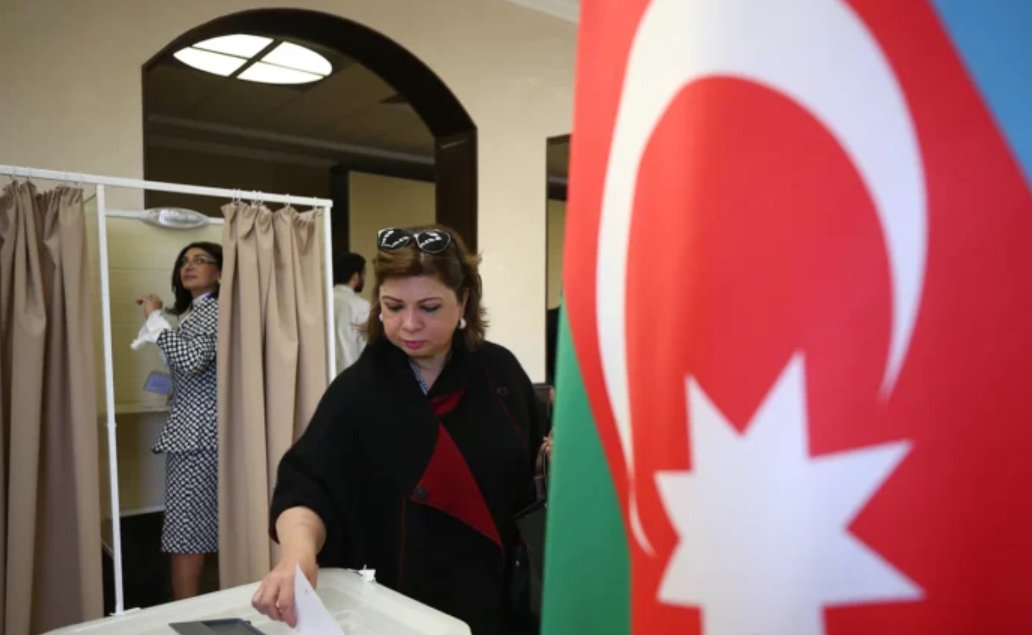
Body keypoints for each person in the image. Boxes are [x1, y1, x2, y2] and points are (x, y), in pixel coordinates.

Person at [253, 226, 550, 634]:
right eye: (393, 307)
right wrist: (296, 555)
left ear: (463, 300)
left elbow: (536, 467)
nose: (409, 324)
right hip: (397, 608)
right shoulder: (357, 392)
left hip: (497, 602)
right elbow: (306, 487)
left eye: (429, 307)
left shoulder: (501, 375)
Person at [132, 241, 222, 601]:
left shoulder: (214, 310)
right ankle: (191, 609)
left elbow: (193, 360)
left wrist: (156, 320)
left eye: (200, 260)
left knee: (186, 533)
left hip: (199, 435)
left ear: (220, 272)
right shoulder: (196, 313)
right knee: (193, 530)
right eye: (184, 261)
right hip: (198, 432)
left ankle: (184, 614)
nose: (189, 266)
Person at [333, 251, 371, 374]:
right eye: (363, 274)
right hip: (351, 376)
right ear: (355, 276)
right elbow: (365, 348)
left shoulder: (321, 302)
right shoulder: (361, 307)